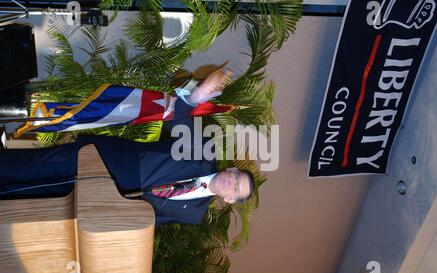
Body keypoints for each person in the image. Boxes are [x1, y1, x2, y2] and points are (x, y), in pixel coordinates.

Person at [0, 67, 256, 225]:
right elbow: (179, 117)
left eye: (235, 189)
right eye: (235, 178)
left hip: (95, 202)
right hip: (101, 161)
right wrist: (198, 95)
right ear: (230, 170)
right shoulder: (202, 152)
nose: (230, 184)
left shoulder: (194, 215)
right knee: (27, 168)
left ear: (230, 199)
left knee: (27, 197)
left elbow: (147, 222)